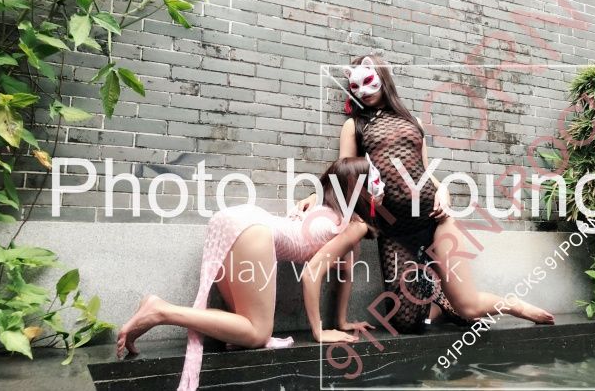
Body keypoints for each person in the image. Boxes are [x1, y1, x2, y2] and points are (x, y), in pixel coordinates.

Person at [297, 55, 555, 333]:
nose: (363, 91)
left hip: (434, 220)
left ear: (383, 78)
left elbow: (424, 170)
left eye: (369, 81)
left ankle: (514, 305)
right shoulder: (355, 125)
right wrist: (317, 196)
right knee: (405, 323)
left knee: (468, 307)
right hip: (394, 232)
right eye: (355, 86)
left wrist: (442, 189)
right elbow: (343, 173)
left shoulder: (413, 121)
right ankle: (440, 302)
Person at [115, 157, 383, 391]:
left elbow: (345, 272)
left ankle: (159, 310)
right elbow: (312, 273)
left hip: (234, 220)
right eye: (375, 183)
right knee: (257, 334)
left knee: (241, 329)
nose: (381, 189)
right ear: (358, 190)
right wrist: (319, 331)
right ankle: (161, 311)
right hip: (254, 231)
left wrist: (342, 321)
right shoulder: (352, 225)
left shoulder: (324, 209)